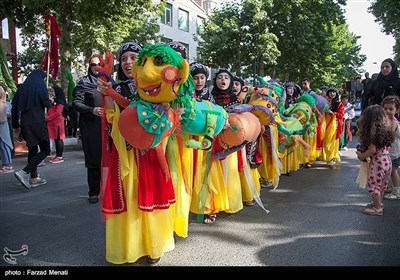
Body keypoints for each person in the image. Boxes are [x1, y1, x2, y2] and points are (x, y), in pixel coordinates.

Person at [12, 69, 52, 189]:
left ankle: (34, 178)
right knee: (45, 149)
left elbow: (14, 109)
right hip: (38, 122)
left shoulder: (22, 88)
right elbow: (47, 104)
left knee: (33, 149)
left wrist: (15, 126)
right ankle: (24, 172)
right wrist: (49, 99)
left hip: (25, 123)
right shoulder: (40, 86)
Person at [72, 54, 104, 204]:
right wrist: (92, 110)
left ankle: (108, 190)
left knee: (110, 158)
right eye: (93, 65)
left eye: (100, 64)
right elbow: (76, 103)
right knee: (94, 159)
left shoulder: (109, 81)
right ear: (89, 67)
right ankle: (93, 191)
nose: (97, 67)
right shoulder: (84, 83)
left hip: (109, 127)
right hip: (91, 127)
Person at [356, 104, 394, 216]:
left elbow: (372, 150)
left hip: (378, 162)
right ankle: (379, 203)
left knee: (374, 185)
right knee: (382, 184)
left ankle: (377, 208)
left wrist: (361, 156)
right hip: (387, 160)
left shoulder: (373, 133)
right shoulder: (385, 131)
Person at [381, 96, 400, 200]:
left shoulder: (393, 123)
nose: (387, 111)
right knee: (389, 171)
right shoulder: (388, 121)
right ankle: (393, 187)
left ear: (397, 110)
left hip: (394, 152)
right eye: (385, 108)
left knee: (393, 171)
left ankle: (397, 191)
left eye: (391, 109)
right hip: (391, 151)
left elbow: (388, 136)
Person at [46, 85, 67, 163]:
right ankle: (57, 155)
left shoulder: (60, 101)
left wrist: (48, 118)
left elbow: (58, 112)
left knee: (59, 139)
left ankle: (60, 156)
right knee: (56, 139)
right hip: (53, 123)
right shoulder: (54, 100)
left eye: (53, 91)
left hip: (57, 123)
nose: (52, 93)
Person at [0, 85, 13, 173]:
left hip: (2, 126)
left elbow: (6, 116)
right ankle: (4, 163)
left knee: (4, 144)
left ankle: (8, 164)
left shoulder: (4, 104)